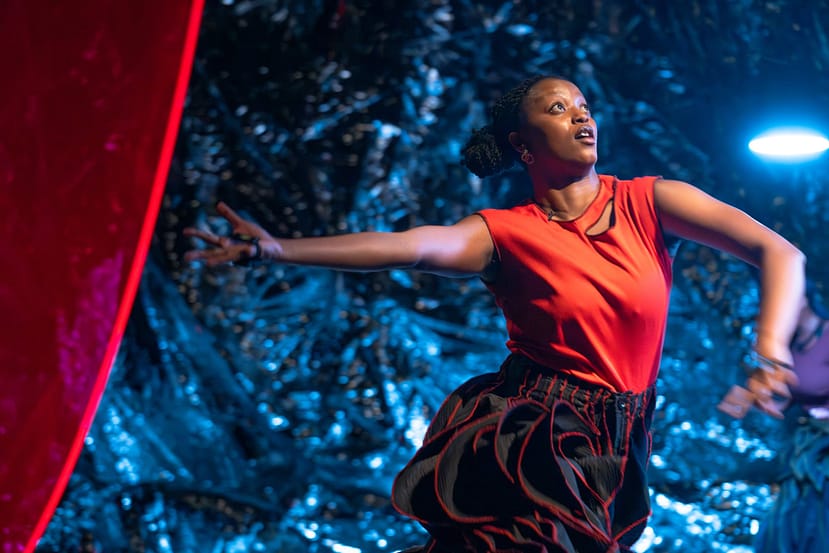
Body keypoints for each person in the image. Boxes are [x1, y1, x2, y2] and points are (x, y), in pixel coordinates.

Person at [183, 75, 805, 553]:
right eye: (557, 109)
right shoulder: (503, 233)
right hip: (540, 430)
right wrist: (275, 250)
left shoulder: (649, 201)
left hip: (623, 434)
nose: (581, 114)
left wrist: (770, 354)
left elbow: (778, 251)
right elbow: (411, 246)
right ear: (522, 145)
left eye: (583, 104)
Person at [751, 283, 829, 553]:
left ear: (804, 297)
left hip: (825, 448)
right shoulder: (790, 349)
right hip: (805, 445)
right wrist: (761, 397)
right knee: (787, 518)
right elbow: (788, 397)